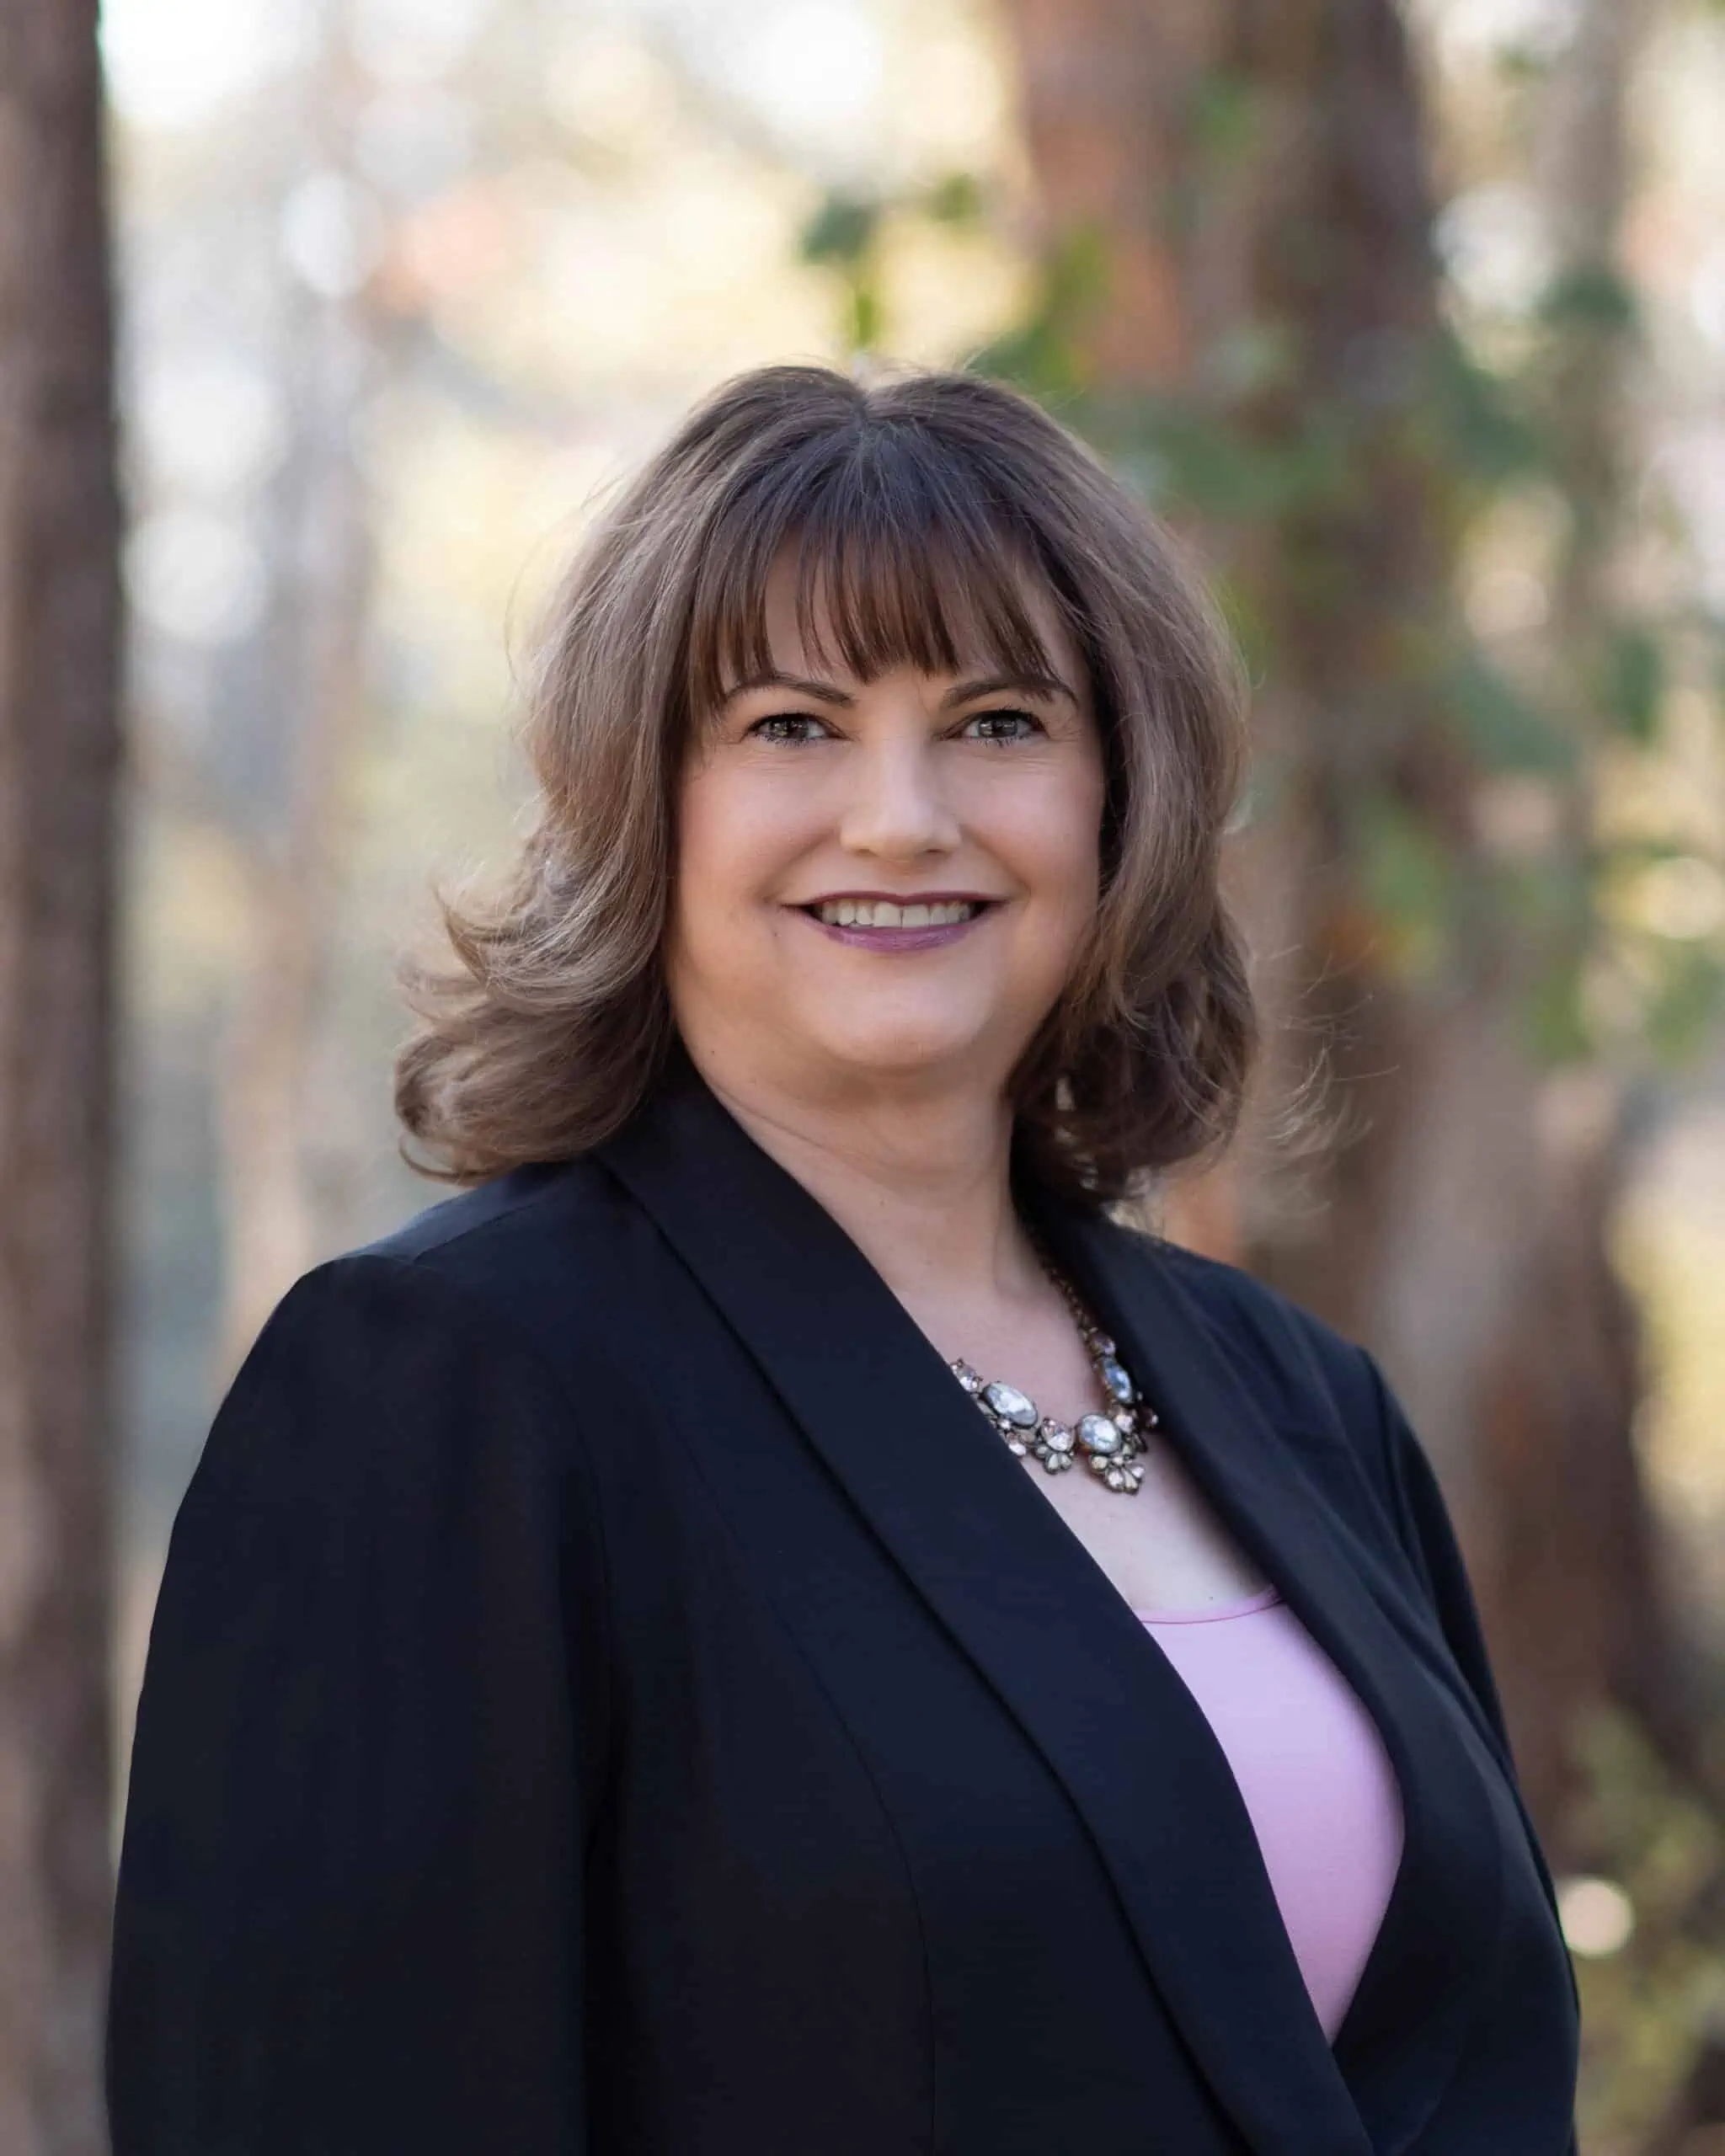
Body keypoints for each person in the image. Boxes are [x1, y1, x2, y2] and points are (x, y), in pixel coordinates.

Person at [106, 362, 1580, 2154]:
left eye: (1000, 720)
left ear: (1122, 793)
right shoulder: (446, 1389)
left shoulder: (1302, 1400)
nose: (900, 815)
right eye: (792, 725)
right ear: (647, 800)